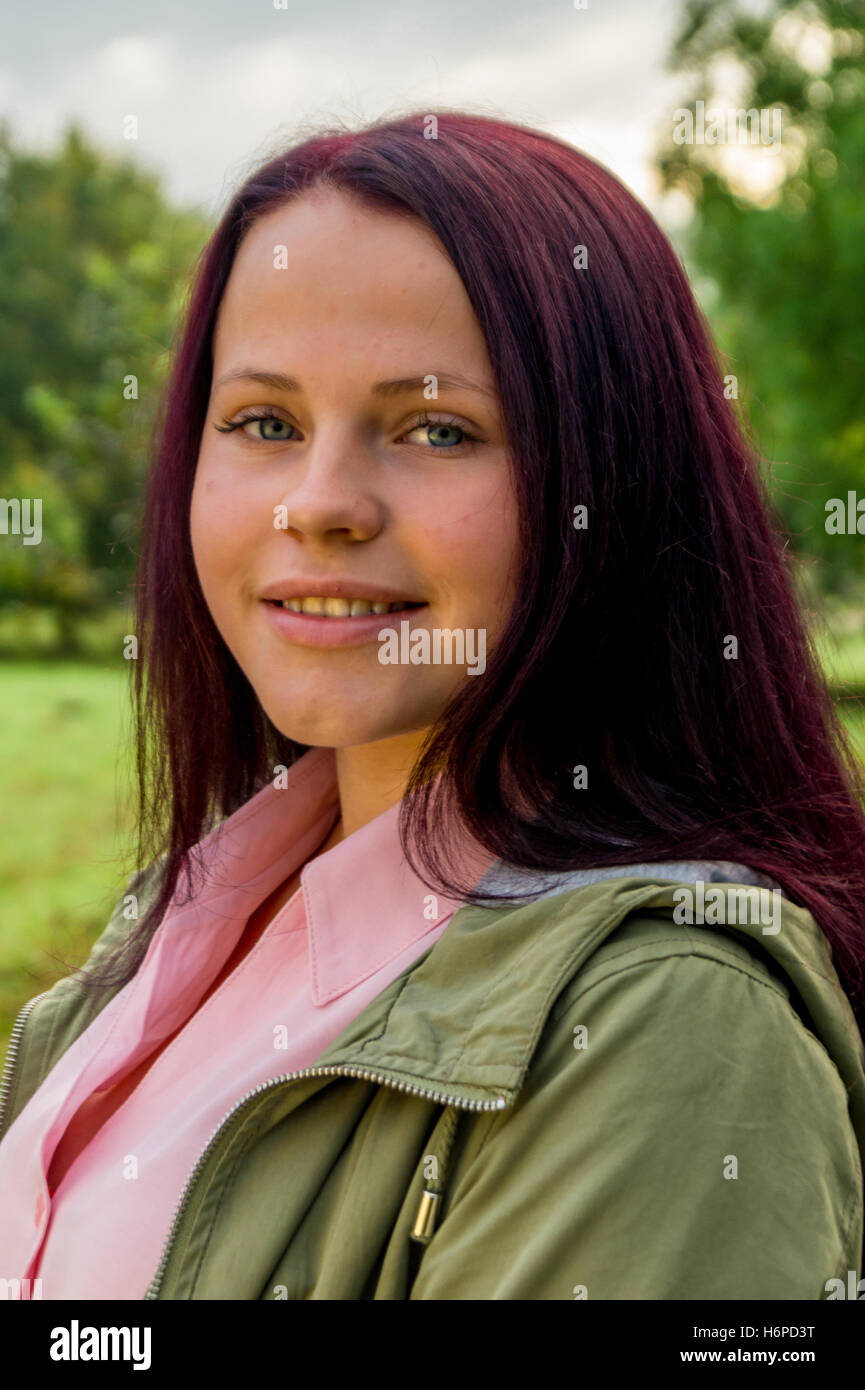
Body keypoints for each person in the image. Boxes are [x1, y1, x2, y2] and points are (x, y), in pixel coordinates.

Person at [1, 109, 864, 1301]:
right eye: (265, 421)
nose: (319, 503)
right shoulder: (189, 931)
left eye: (434, 428)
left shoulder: (669, 1026)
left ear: (607, 484)